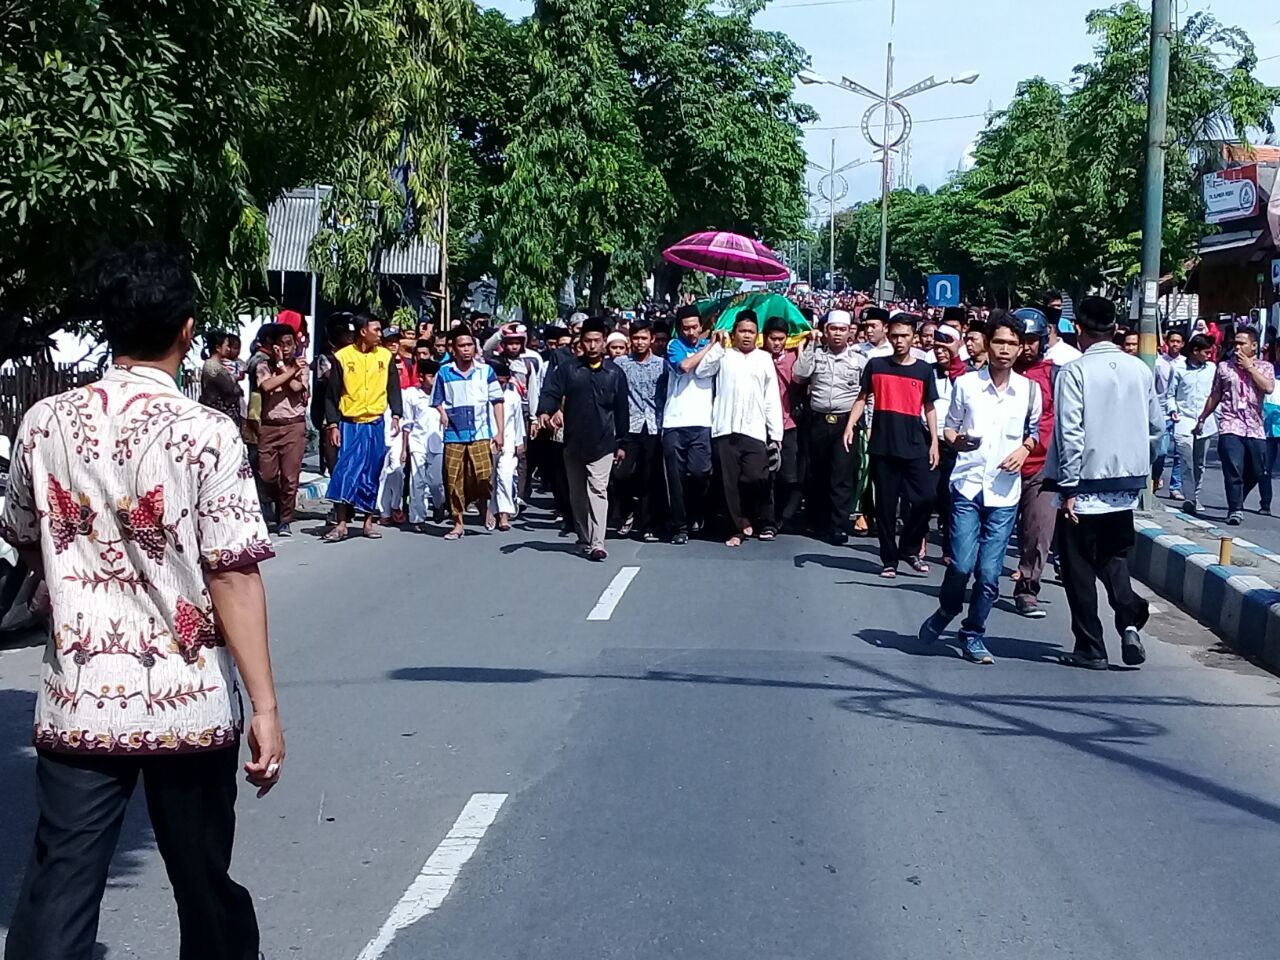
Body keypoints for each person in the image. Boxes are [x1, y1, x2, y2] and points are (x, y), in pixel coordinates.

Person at [1, 243, 283, 960]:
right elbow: (233, 574)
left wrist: (72, 575)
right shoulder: (208, 434)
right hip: (186, 703)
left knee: (59, 887)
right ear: (188, 330)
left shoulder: (43, 423)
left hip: (81, 697)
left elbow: (28, 538)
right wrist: (267, 709)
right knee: (201, 882)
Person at [1044, 296, 1163, 670]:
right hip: (1125, 486)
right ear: (1114, 329)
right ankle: (1129, 618)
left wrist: (1067, 488)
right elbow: (1157, 428)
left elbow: (1070, 433)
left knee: (1078, 568)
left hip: (1083, 484)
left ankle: (1091, 647)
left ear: (1078, 329)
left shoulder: (1074, 372)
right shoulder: (1140, 370)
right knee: (1113, 558)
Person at [919, 315, 1041, 663]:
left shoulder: (1029, 391)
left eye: (1012, 344)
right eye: (999, 342)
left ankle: (973, 632)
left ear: (1020, 349)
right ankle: (947, 610)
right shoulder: (967, 385)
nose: (1004, 350)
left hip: (1004, 493)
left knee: (989, 573)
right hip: (968, 486)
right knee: (960, 565)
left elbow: (1034, 433)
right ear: (988, 343)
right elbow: (950, 429)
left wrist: (1024, 449)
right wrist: (959, 442)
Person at [844, 316, 940, 578]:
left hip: (915, 444)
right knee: (885, 507)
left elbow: (929, 407)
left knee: (925, 498)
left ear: (913, 337)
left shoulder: (923, 369)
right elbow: (862, 397)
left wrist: (934, 441)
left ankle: (908, 548)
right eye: (895, 336)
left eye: (905, 336)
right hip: (883, 446)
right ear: (889, 334)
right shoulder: (876, 365)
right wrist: (850, 425)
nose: (899, 341)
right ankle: (889, 559)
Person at [538, 317, 629, 560]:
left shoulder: (615, 373)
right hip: (573, 443)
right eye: (587, 341)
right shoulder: (569, 370)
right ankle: (584, 536)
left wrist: (622, 442)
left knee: (598, 490)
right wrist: (545, 411)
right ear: (581, 342)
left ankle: (598, 543)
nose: (592, 346)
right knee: (577, 494)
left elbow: (622, 411)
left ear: (604, 343)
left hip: (603, 443)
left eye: (597, 341)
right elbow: (551, 392)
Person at [696, 313, 784, 546]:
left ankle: (755, 516)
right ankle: (737, 528)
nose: (746, 336)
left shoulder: (764, 359)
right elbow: (701, 371)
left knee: (756, 476)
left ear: (757, 335)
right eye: (742, 331)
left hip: (754, 430)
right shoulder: (724, 355)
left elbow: (771, 398)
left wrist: (776, 434)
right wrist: (716, 345)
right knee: (729, 482)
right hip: (725, 428)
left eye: (751, 332)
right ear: (734, 333)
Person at [323, 313, 403, 542]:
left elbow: (393, 387)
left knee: (371, 472)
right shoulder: (342, 357)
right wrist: (333, 424)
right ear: (363, 331)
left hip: (376, 423)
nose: (380, 334)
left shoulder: (385, 357)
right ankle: (341, 524)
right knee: (345, 471)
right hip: (350, 424)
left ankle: (367, 523)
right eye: (376, 330)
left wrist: (396, 414)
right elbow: (332, 394)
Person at [794, 310, 866, 545]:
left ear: (849, 333)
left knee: (841, 474)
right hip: (817, 420)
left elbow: (867, 394)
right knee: (817, 472)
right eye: (833, 329)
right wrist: (811, 345)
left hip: (845, 422)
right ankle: (818, 520)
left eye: (842, 330)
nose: (837, 334)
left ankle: (838, 525)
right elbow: (798, 376)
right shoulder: (816, 354)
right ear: (825, 331)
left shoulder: (858, 360)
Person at [1006, 308, 1059, 618]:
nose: (1025, 348)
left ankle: (1028, 587)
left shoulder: (1055, 375)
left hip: (1041, 468)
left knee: (1037, 532)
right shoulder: (997, 374)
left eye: (1031, 341)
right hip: (1001, 466)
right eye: (1018, 340)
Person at [1194, 326, 1275, 523]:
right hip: (1230, 424)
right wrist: (1203, 417)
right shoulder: (1223, 367)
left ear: (1253, 346)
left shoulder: (1265, 367)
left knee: (1259, 470)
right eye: (1235, 343)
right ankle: (1235, 508)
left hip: (1255, 427)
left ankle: (1238, 496)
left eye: (1242, 343)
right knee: (1233, 466)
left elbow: (1268, 387)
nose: (1237, 347)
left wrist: (1249, 367)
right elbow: (1216, 394)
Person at [433, 328, 505, 540]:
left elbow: (497, 402)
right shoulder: (444, 372)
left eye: (469, 345)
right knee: (453, 478)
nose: (466, 350)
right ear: (453, 350)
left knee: (483, 475)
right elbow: (436, 400)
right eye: (461, 346)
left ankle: (483, 503)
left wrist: (500, 432)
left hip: (481, 432)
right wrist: (442, 413)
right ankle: (458, 523)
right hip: (454, 434)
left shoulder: (486, 371)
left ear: (475, 347)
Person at [661, 304, 716, 544]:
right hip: (674, 422)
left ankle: (697, 511)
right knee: (676, 478)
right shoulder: (674, 346)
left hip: (703, 422)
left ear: (701, 327)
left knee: (699, 472)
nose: (691, 332)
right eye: (686, 328)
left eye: (695, 327)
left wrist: (713, 344)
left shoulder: (710, 346)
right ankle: (680, 526)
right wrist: (711, 345)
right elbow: (684, 367)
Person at [252, 322, 310, 538]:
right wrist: (280, 365)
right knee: (267, 475)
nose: (286, 348)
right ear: (273, 346)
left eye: (289, 343)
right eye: (281, 344)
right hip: (269, 426)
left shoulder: (301, 366)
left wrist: (289, 367)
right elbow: (267, 386)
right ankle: (276, 503)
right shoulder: (263, 366)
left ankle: (285, 518)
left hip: (293, 425)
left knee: (290, 477)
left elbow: (296, 387)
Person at [613, 319, 667, 542]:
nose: (640, 342)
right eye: (635, 338)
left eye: (644, 338)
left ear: (651, 339)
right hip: (629, 426)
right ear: (629, 340)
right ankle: (627, 511)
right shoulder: (620, 364)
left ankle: (647, 526)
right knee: (621, 473)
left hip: (654, 425)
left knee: (649, 478)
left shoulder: (663, 364)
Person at [1166, 333, 1217, 515]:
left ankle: (1195, 496)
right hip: (1184, 421)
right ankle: (1190, 498)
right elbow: (1170, 394)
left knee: (1199, 463)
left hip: (1206, 422)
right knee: (1186, 461)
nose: (1209, 356)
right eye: (1206, 352)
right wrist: (1173, 410)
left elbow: (1215, 394)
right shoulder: (1179, 369)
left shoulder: (1211, 369)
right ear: (1195, 351)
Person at [763, 317, 805, 534]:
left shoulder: (794, 358)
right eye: (773, 339)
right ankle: (767, 520)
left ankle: (782, 515)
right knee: (763, 476)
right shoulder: (758, 358)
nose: (777, 343)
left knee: (788, 476)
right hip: (761, 426)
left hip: (788, 423)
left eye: (781, 339)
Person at [930, 323, 966, 563]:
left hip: (958, 445)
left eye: (947, 345)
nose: (941, 351)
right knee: (927, 495)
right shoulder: (927, 371)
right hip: (930, 440)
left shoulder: (968, 375)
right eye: (937, 346)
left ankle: (950, 546)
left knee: (951, 498)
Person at [403, 359, 446, 530]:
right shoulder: (412, 395)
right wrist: (405, 448)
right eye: (430, 376)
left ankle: (438, 503)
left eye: (436, 376)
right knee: (417, 480)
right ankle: (417, 518)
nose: (434, 379)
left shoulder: (444, 397)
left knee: (436, 483)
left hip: (438, 444)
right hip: (417, 443)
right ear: (421, 377)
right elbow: (408, 423)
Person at [486, 358, 527, 531]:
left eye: (504, 382)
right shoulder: (484, 395)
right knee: (490, 478)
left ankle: (504, 514)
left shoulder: (512, 396)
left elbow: (518, 420)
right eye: (498, 382)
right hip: (488, 440)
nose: (501, 385)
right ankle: (491, 510)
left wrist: (519, 442)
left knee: (505, 476)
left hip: (509, 441)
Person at [312, 314, 354, 476]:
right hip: (329, 402)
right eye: (346, 334)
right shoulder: (326, 357)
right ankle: (329, 466)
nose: (349, 337)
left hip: (349, 404)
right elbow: (328, 379)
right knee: (328, 436)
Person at [1153, 328, 1185, 495]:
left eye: (1178, 342)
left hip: (1180, 414)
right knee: (1161, 451)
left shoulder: (1185, 364)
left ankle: (1175, 487)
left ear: (1182, 344)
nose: (1175, 344)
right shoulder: (1158, 363)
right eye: (1172, 341)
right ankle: (1156, 477)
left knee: (1180, 452)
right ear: (1166, 342)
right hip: (1162, 412)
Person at [200, 331, 245, 426]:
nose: (229, 349)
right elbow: (231, 388)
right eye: (227, 345)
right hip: (219, 418)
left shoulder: (217, 366)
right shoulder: (214, 367)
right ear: (218, 348)